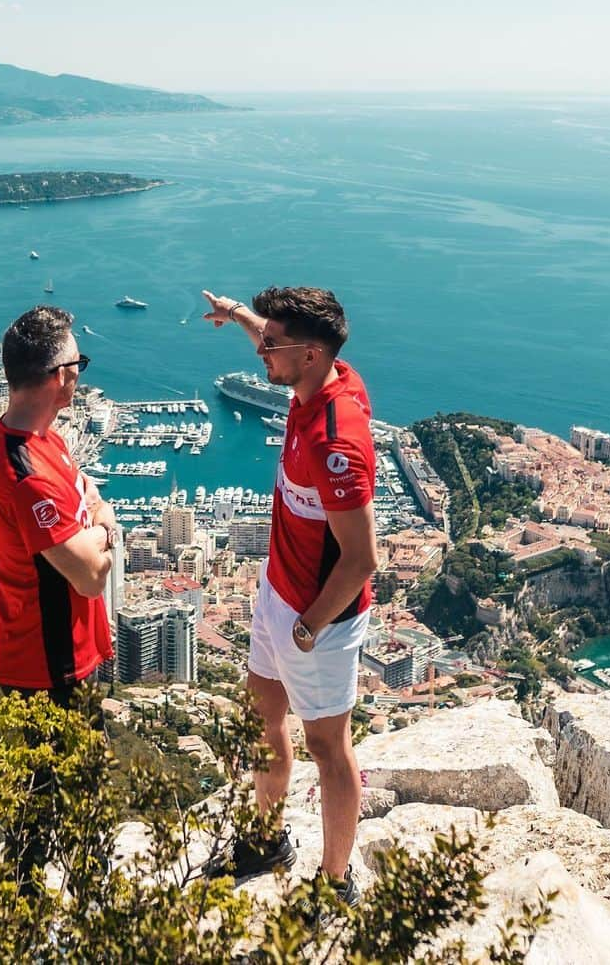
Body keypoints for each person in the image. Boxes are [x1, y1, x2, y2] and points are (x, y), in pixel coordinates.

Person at [201, 286, 378, 909]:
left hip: (320, 618)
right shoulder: (321, 377)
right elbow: (277, 343)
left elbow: (360, 559)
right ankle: (267, 839)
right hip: (279, 594)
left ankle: (335, 882)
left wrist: (309, 625)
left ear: (308, 355)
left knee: (329, 748)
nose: (261, 352)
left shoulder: (337, 442)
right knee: (262, 719)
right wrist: (242, 316)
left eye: (272, 344)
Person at [0, 304, 116, 700]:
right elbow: (92, 578)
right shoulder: (27, 477)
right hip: (46, 669)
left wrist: (91, 526)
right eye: (79, 365)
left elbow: (89, 496)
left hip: (63, 657)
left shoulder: (42, 438)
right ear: (61, 376)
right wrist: (107, 531)